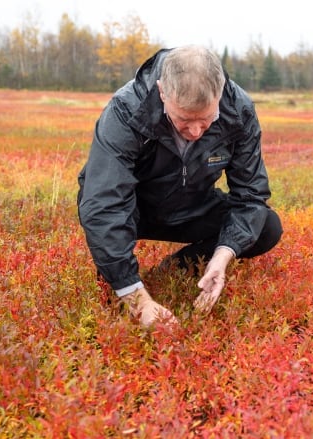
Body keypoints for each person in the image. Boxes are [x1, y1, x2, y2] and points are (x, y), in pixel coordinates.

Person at [77, 45, 282, 327]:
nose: (196, 132)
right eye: (184, 119)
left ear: (220, 94)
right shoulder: (126, 110)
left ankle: (177, 268)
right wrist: (138, 300)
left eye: (207, 119)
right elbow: (104, 205)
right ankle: (123, 281)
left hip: (192, 205)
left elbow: (250, 196)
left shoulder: (240, 111)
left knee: (267, 226)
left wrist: (222, 256)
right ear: (162, 92)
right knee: (113, 267)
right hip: (136, 210)